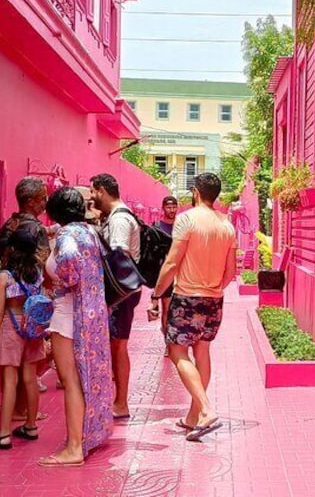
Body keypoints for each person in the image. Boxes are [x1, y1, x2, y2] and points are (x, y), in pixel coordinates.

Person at [147, 173, 236, 441]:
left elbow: (172, 263)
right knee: (203, 351)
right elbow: (231, 271)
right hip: (214, 298)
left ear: (196, 192)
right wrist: (214, 286)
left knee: (177, 353)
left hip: (187, 296)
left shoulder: (187, 219)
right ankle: (193, 417)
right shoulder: (226, 225)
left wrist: (156, 293)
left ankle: (206, 410)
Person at [38, 187, 113, 467]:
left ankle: (73, 447)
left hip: (68, 312)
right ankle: (84, 437)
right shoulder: (88, 231)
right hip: (90, 311)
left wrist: (65, 280)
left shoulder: (67, 235)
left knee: (70, 381)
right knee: (85, 377)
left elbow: (68, 259)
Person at [0, 228, 46, 450]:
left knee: (9, 381)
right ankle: (31, 425)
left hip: (11, 324)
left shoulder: (4, 276)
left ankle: (3, 433)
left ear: (11, 249)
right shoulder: (37, 272)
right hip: (33, 325)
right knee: (30, 378)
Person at [0, 177, 51, 422]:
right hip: (30, 299)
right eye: (42, 198)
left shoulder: (8, 225)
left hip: (9, 297)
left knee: (13, 367)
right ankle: (26, 413)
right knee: (29, 365)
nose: (44, 202)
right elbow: (44, 263)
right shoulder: (36, 229)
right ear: (30, 201)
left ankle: (16, 412)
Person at [90, 173, 142, 419]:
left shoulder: (120, 219)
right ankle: (117, 400)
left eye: (92, 191)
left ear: (101, 190)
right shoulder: (115, 216)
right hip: (121, 293)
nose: (91, 197)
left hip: (121, 294)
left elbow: (119, 256)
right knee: (115, 344)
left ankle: (121, 402)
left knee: (118, 345)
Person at [155, 196, 179, 356]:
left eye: (174, 207)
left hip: (182, 272)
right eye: (169, 207)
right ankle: (167, 342)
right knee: (167, 310)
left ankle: (177, 340)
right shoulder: (158, 227)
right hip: (165, 272)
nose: (171, 210)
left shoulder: (181, 226)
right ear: (163, 208)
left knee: (178, 310)